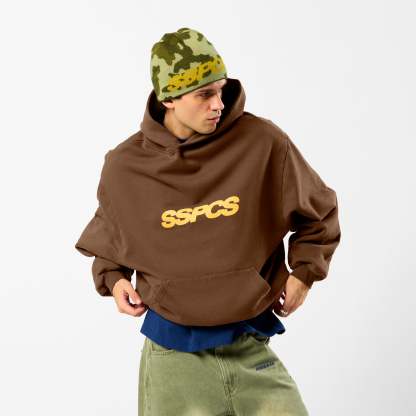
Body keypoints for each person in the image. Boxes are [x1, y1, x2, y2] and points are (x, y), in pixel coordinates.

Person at [75, 27, 341, 416]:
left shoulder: (262, 143)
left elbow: (319, 213)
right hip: (171, 359)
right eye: (204, 95)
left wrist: (304, 272)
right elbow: (111, 242)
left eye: (221, 91)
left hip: (249, 346)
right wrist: (114, 281)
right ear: (168, 98)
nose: (218, 104)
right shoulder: (126, 166)